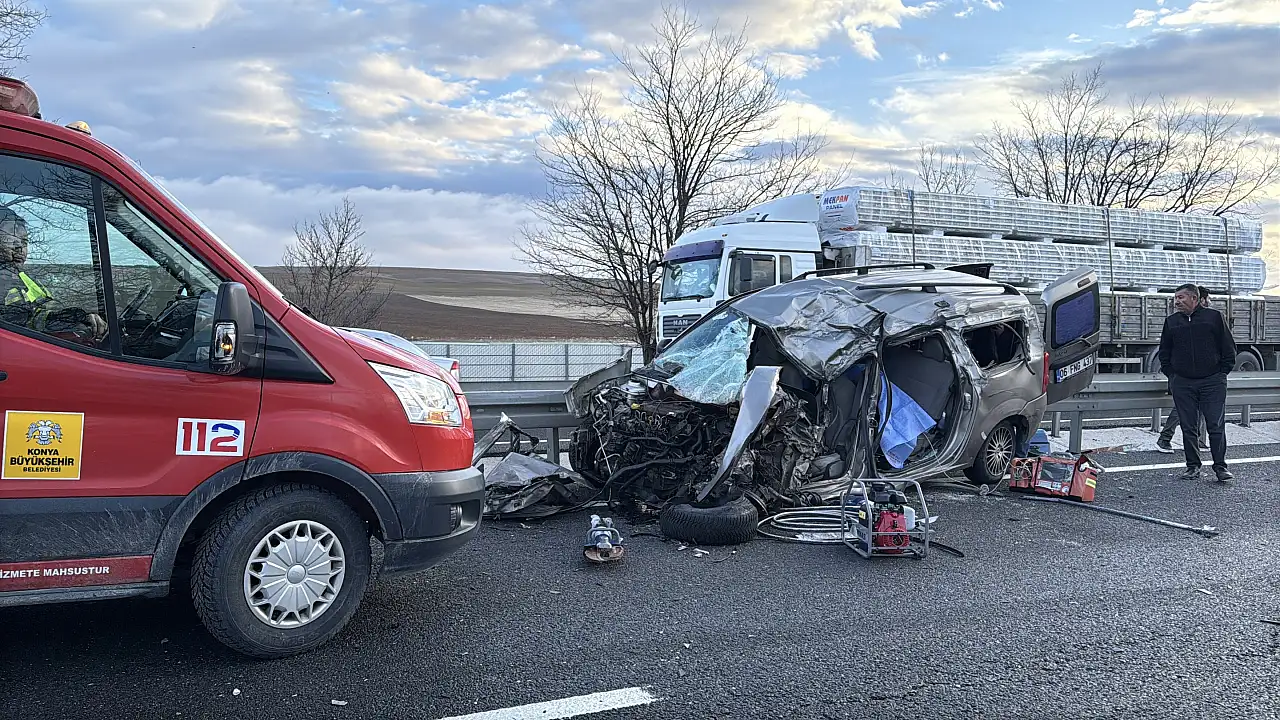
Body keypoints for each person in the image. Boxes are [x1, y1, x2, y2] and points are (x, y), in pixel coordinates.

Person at [1157, 282, 1236, 481]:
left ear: (1194, 298)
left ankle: (1220, 467)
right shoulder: (1172, 322)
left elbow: (1228, 347)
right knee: (1188, 426)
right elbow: (1164, 351)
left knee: (1215, 425)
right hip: (1183, 382)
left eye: (1181, 298)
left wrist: (1221, 373)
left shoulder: (1214, 317)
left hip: (1212, 381)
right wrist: (1172, 375)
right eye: (1175, 298)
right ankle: (1192, 466)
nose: (1177, 302)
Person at [0, 206, 107, 342]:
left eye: (24, 241)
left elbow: (45, 312)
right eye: (11, 239)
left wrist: (78, 317)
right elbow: (20, 322)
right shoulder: (4, 281)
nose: (20, 248)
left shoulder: (25, 278)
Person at [1156, 286, 1210, 453]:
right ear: (1198, 299)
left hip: (1199, 375)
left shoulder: (1205, 320)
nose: (1209, 302)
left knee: (1198, 406)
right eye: (1207, 299)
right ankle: (1165, 438)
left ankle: (1199, 439)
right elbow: (1166, 350)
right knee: (1183, 407)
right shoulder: (1177, 321)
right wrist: (1172, 373)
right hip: (1181, 375)